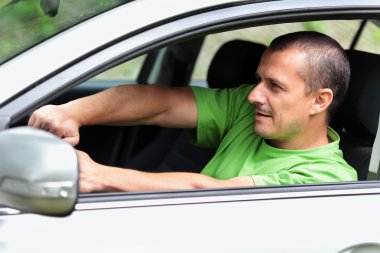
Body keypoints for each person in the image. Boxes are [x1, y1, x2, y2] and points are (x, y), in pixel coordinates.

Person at [28, 31, 357, 193]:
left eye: (275, 86)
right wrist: (73, 112)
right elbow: (163, 103)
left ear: (320, 100)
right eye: (258, 80)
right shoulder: (249, 111)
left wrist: (99, 176)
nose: (255, 94)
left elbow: (212, 193)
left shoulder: (330, 178)